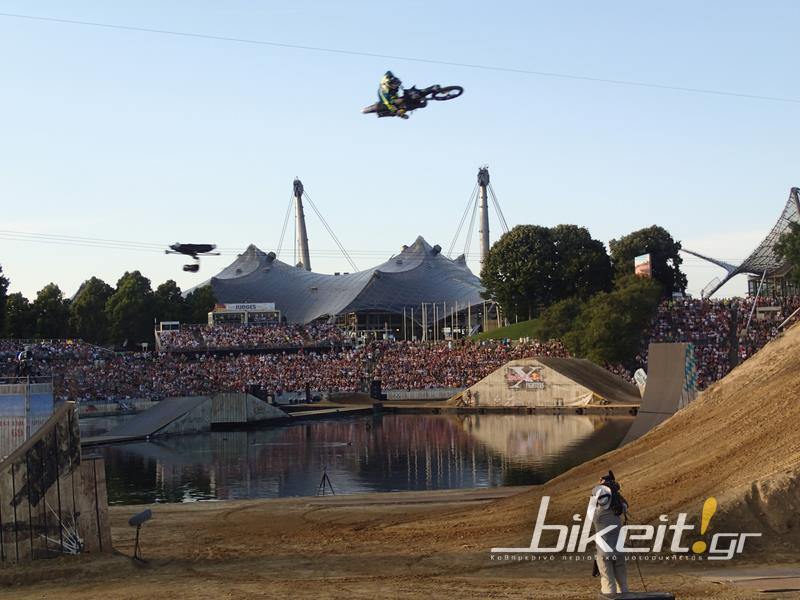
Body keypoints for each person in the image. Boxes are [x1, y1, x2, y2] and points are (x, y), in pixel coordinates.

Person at [588, 470, 629, 596]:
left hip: (604, 551)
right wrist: (613, 489)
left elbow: (593, 502)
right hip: (619, 549)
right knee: (622, 582)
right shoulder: (619, 509)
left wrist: (602, 489)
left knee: (608, 582)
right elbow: (624, 503)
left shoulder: (597, 514)